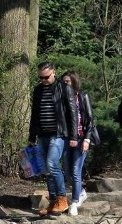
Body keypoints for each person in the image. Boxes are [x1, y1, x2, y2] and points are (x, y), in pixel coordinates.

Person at [28, 61, 80, 216]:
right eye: (41, 78)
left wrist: (73, 136)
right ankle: (53, 201)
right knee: (46, 169)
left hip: (58, 134)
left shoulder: (64, 88)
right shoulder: (38, 90)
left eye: (46, 77)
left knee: (52, 164)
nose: (43, 80)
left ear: (54, 73)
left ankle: (62, 198)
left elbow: (72, 113)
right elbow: (34, 114)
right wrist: (32, 136)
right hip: (42, 133)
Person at [60, 71, 96, 216]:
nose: (65, 84)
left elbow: (90, 119)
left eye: (67, 81)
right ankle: (81, 192)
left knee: (75, 170)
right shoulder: (60, 99)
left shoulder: (81, 97)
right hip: (66, 139)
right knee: (67, 171)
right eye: (63, 82)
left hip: (81, 138)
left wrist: (87, 139)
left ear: (74, 82)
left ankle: (74, 201)